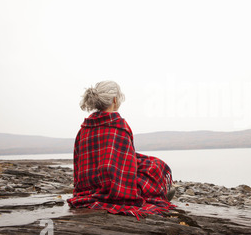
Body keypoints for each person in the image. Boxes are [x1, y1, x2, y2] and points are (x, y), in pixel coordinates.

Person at [67, 81, 175, 219]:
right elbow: (127, 165)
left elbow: (78, 164)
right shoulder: (119, 126)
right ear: (114, 99)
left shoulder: (83, 129)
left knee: (146, 161)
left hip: (87, 187)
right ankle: (161, 192)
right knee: (156, 166)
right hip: (115, 187)